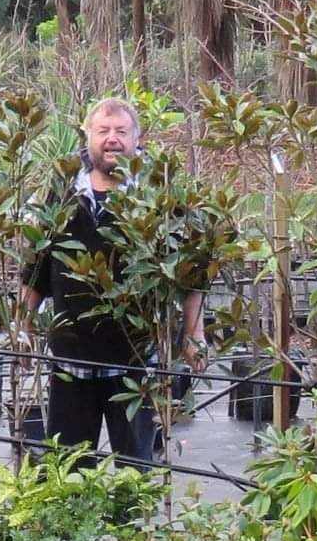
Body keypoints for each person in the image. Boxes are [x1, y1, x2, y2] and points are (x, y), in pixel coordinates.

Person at [21, 97, 205, 460]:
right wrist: (22, 327)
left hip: (135, 361)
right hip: (71, 360)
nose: (112, 139)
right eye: (103, 131)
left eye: (121, 131)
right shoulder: (64, 188)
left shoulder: (159, 190)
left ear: (137, 138)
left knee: (135, 472)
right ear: (88, 136)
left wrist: (194, 334)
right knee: (67, 469)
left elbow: (191, 267)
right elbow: (36, 266)